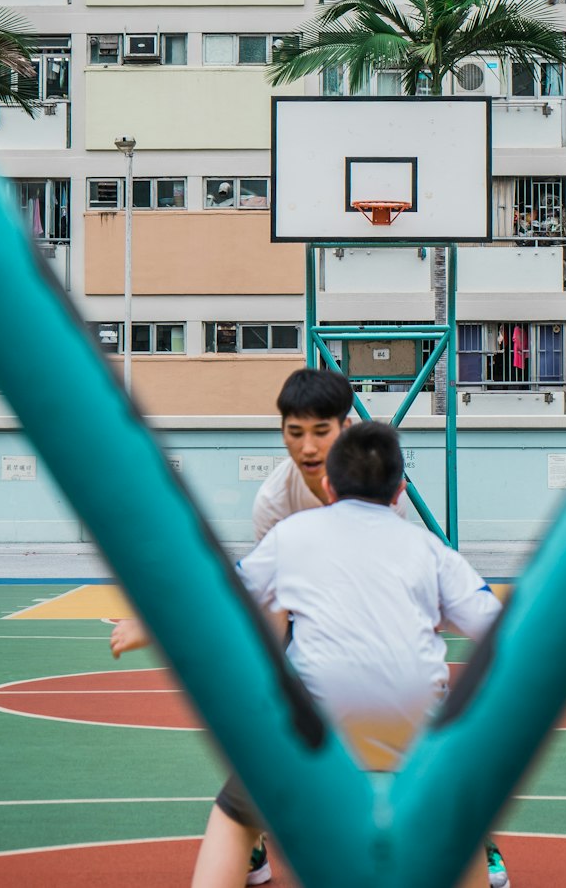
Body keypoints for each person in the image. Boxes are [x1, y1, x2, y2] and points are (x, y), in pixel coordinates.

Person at [113, 370, 512, 887]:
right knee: (452, 789)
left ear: (341, 439)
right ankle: (468, 840)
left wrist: (151, 623)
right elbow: (493, 623)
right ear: (398, 491)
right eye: (293, 432)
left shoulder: (296, 532)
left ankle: (252, 828)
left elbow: (220, 597)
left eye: (319, 432)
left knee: (243, 799)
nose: (305, 446)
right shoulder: (290, 506)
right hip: (412, 706)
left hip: (324, 704)